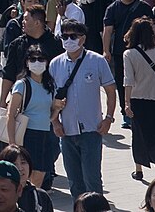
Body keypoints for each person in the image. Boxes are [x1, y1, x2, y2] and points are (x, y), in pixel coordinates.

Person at [49, 20, 117, 201]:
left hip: (91, 130)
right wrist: (55, 123)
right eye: (64, 36)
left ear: (83, 38)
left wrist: (109, 118)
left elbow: (111, 90)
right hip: (67, 131)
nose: (68, 40)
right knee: (75, 182)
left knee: (92, 180)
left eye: (73, 36)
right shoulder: (55, 64)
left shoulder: (97, 61)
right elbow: (51, 98)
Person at [122, 17, 155, 184]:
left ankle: (139, 169)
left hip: (138, 100)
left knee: (139, 136)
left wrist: (127, 103)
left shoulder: (129, 54)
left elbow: (128, 80)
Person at [3, 45, 57, 190]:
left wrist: (57, 109)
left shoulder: (50, 85)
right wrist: (12, 143)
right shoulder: (22, 84)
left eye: (41, 59)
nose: (37, 62)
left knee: (40, 176)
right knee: (25, 176)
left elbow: (50, 116)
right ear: (27, 62)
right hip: (28, 134)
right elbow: (11, 114)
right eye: (33, 59)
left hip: (45, 134)